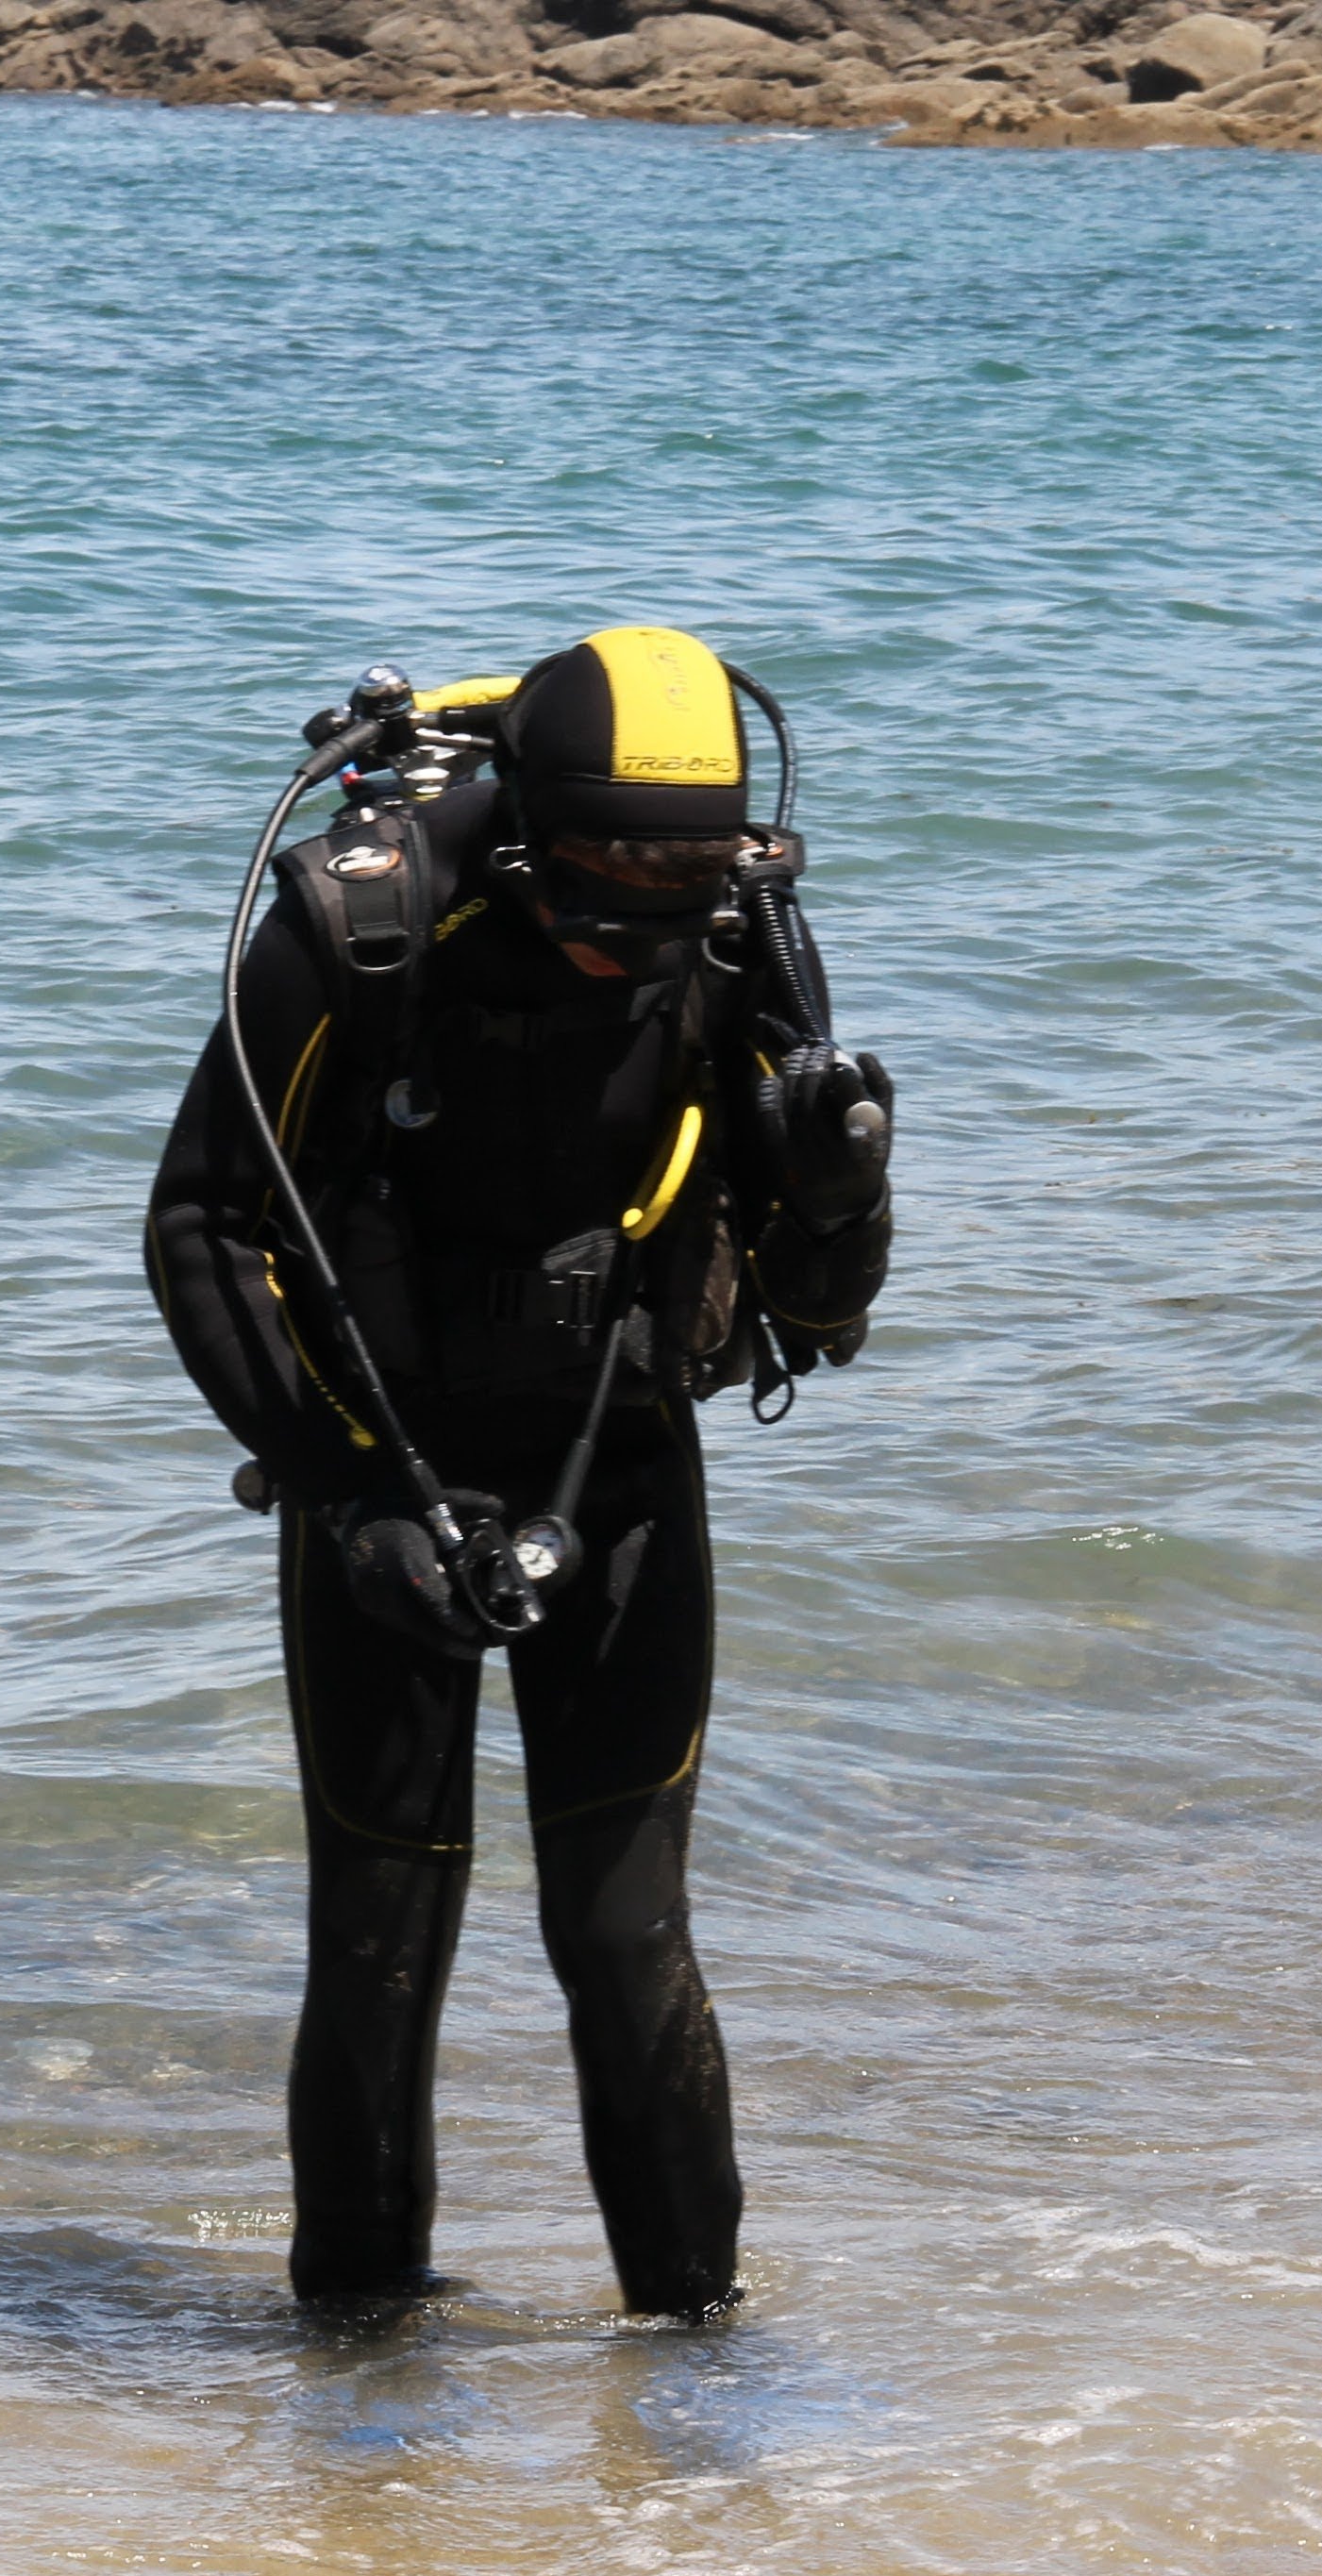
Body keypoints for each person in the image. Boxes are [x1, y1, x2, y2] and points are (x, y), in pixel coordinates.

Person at [142, 626, 896, 2322]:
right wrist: (347, 1490)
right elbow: (201, 1221)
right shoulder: (359, 924)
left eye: (681, 878)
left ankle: (696, 2369)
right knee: (382, 1929)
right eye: (609, 880)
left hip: (615, 1458)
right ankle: (354, 2375)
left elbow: (810, 1312)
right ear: (530, 830)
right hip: (383, 1466)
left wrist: (844, 1201)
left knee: (624, 1934)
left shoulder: (733, 933)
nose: (638, 926)